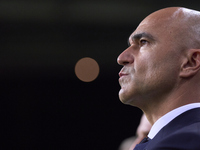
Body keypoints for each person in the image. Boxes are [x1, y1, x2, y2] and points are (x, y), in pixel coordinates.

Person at [117, 7, 200, 150]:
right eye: (130, 45)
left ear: (190, 62)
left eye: (143, 42)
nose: (121, 58)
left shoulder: (182, 142)